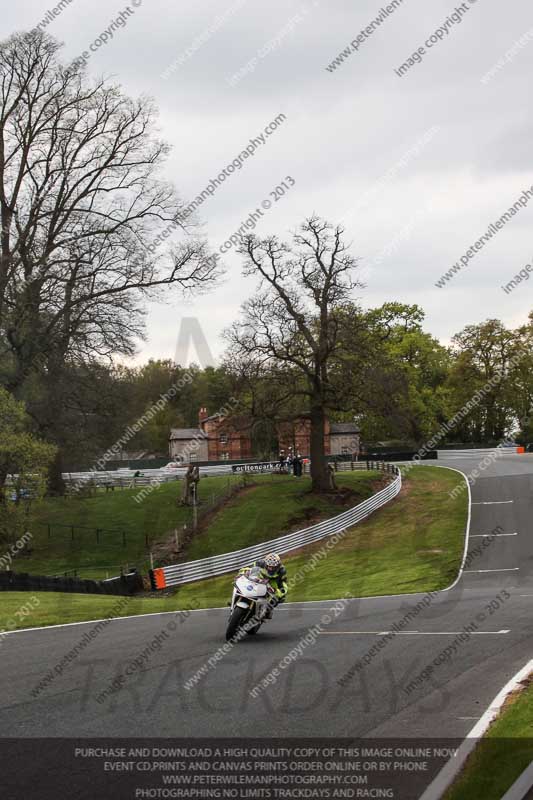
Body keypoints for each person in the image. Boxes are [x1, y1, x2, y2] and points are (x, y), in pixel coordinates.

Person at [238, 552, 288, 619]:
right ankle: (238, 598)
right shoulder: (260, 563)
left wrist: (278, 592)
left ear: (277, 566)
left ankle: (267, 610)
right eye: (269, 566)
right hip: (258, 579)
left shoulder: (281, 571)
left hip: (272, 584)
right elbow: (250, 569)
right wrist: (244, 572)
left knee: (279, 598)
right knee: (242, 582)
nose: (270, 568)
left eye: (273, 567)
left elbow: (284, 586)